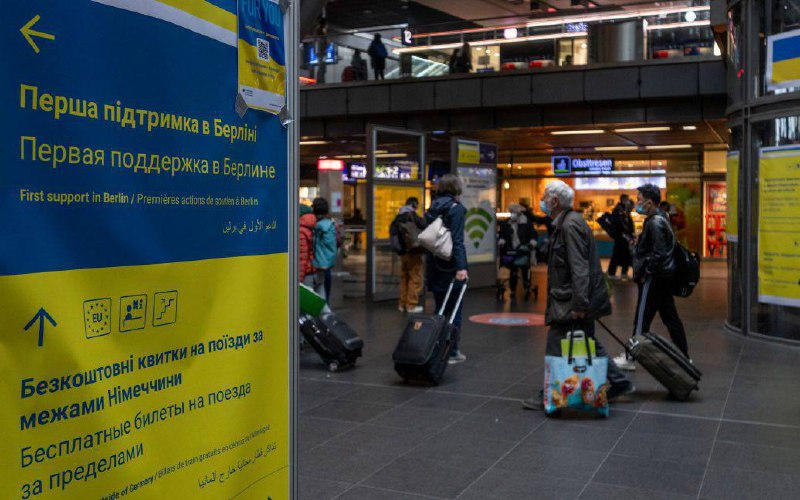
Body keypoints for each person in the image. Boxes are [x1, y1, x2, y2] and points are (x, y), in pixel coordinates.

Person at [523, 180, 634, 410]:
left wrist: (579, 305)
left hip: (571, 300)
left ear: (554, 201)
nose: (542, 201)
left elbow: (579, 268)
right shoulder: (570, 222)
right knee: (589, 341)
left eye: (544, 197)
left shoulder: (568, 226)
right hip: (577, 298)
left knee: (555, 344)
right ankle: (620, 382)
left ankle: (549, 393)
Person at [614, 184, 690, 371]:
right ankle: (685, 357)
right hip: (663, 277)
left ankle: (630, 357)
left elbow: (659, 253)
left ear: (649, 202)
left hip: (654, 279)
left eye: (639, 199)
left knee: (642, 318)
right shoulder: (661, 218)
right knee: (670, 318)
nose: (637, 203)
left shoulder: (654, 222)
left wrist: (646, 273)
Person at [426, 174, 468, 364]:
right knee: (455, 310)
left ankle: (435, 346)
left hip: (434, 264)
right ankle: (451, 351)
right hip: (451, 265)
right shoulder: (455, 209)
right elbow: (458, 241)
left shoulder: (432, 208)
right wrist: (461, 267)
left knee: (440, 308)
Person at [390, 197, 427, 313]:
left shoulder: (398, 217)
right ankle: (411, 305)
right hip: (413, 251)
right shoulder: (411, 215)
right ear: (414, 205)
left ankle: (402, 304)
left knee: (404, 278)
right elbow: (423, 225)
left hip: (403, 254)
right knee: (415, 278)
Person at [498, 204, 534, 299]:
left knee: (524, 268)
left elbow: (533, 235)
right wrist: (502, 241)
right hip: (511, 251)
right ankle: (513, 290)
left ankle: (526, 285)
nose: (512, 214)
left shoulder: (526, 223)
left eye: (514, 212)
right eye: (511, 212)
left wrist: (531, 244)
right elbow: (502, 235)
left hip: (522, 251)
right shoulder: (506, 224)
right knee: (513, 269)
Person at [311, 197, 337, 301]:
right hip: (327, 264)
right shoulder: (330, 224)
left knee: (318, 292)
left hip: (317, 264)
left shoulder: (315, 226)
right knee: (326, 292)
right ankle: (326, 312)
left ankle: (321, 314)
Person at [608, 194, 634, 280]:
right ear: (623, 200)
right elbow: (620, 224)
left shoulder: (624, 209)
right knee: (617, 254)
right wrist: (627, 232)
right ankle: (612, 273)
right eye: (627, 200)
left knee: (625, 254)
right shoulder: (618, 210)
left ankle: (623, 272)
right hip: (621, 236)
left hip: (624, 236)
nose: (628, 201)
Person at [299, 204, 316, 285]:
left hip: (307, 273)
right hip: (316, 270)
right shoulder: (313, 225)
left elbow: (302, 257)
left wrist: (299, 279)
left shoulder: (301, 231)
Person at [313, 17, 328, 84]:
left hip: (320, 51)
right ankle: (320, 81)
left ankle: (320, 80)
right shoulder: (319, 30)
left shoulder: (319, 30)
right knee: (322, 66)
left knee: (322, 66)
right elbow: (321, 41)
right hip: (320, 51)